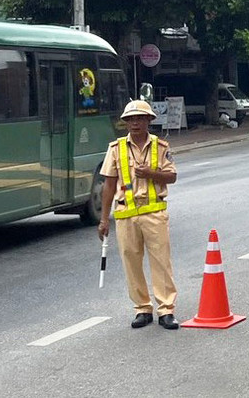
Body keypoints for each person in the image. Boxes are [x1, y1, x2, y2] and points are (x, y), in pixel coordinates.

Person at [97, 100, 180, 329]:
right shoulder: (116, 149)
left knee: (161, 262)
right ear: (125, 123)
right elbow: (108, 185)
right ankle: (142, 308)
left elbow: (172, 176)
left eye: (140, 118)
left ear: (148, 121)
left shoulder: (160, 147)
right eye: (130, 119)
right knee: (131, 262)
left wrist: (151, 173)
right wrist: (104, 219)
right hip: (126, 214)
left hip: (154, 212)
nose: (135, 122)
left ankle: (166, 310)